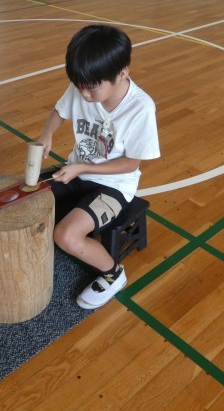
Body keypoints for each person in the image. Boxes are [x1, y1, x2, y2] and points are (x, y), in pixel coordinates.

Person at [37, 24, 161, 309]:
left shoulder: (141, 108)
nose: (84, 95)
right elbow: (59, 111)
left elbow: (131, 163)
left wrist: (82, 169)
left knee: (65, 235)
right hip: (77, 172)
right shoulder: (85, 84)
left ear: (123, 72)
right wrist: (46, 135)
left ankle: (113, 274)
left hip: (113, 186)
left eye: (92, 89)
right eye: (79, 86)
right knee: (26, 198)